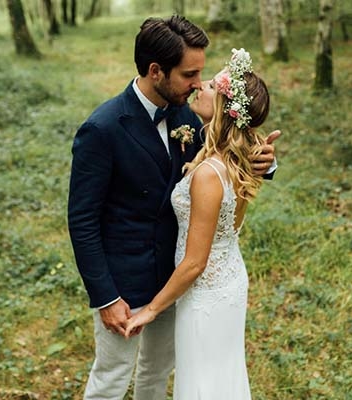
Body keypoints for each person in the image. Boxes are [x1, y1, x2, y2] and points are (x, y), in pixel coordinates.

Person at [67, 16, 278, 400]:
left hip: (177, 279)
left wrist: (265, 162)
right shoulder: (103, 129)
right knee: (112, 378)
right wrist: (105, 297)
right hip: (125, 286)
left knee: (158, 372)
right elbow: (82, 221)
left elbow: (227, 149)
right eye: (189, 73)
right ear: (155, 71)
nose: (199, 83)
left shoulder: (189, 113)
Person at [124, 48, 268, 399]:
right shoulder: (241, 159)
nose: (199, 86)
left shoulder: (208, 174)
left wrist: (151, 311)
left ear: (223, 108)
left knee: (202, 381)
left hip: (206, 292)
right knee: (222, 374)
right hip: (230, 277)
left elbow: (194, 262)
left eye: (210, 86)